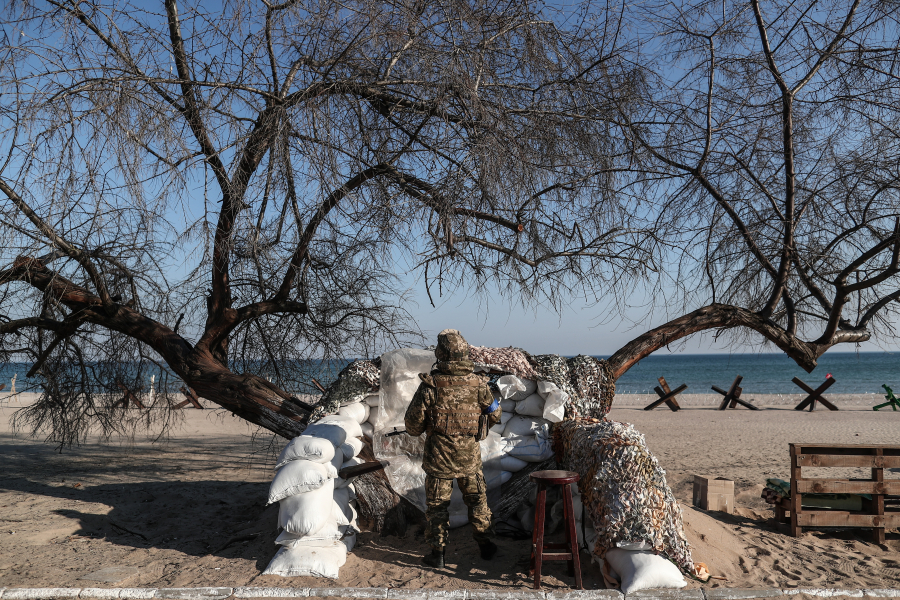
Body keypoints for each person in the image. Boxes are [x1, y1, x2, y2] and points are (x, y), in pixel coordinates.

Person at [404, 329, 502, 568]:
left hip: (439, 460)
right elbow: (495, 413)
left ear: (440, 354)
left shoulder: (430, 386)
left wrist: (431, 425)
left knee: (438, 507)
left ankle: (437, 554)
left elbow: (412, 426)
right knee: (478, 502)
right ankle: (486, 546)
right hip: (469, 459)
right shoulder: (479, 383)